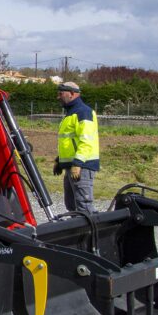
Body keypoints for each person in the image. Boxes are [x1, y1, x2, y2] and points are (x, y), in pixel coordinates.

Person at [52, 81, 100, 215]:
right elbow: (70, 142)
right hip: (72, 166)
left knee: (83, 205)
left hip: (81, 167)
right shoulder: (71, 114)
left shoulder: (83, 112)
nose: (58, 97)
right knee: (72, 205)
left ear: (72, 94)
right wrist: (60, 161)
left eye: (61, 94)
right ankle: (78, 233)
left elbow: (86, 141)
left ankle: (91, 233)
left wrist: (78, 163)